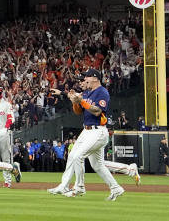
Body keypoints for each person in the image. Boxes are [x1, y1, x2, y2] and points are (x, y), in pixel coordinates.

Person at [47, 69, 137, 200]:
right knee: (92, 163)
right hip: (87, 131)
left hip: (98, 131)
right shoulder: (88, 92)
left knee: (78, 156)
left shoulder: (102, 92)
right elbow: (77, 101)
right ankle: (115, 188)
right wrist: (63, 93)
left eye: (87, 78)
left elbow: (97, 111)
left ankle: (79, 187)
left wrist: (81, 101)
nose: (85, 80)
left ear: (95, 78)